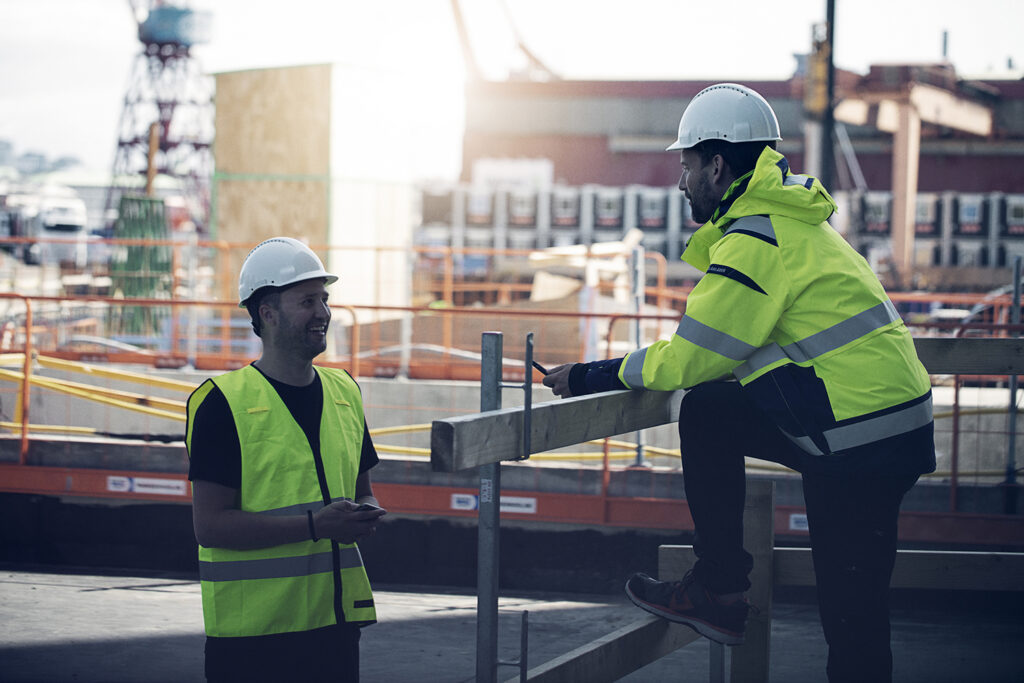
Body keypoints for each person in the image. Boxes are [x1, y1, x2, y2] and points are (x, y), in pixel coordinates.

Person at [542, 83, 935, 683]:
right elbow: (729, 356)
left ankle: (720, 590)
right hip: (880, 423)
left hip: (859, 441)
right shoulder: (791, 223)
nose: (680, 181)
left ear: (717, 165)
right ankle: (719, 588)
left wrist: (590, 374)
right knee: (712, 411)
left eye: (687, 164)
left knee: (853, 624)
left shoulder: (756, 239)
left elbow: (691, 358)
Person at [186, 236, 387, 683]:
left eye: (324, 299)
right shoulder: (221, 404)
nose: (323, 313)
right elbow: (210, 526)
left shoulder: (345, 392)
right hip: (254, 640)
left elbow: (362, 491)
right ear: (267, 313)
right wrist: (317, 527)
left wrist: (365, 513)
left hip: (334, 629)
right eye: (307, 301)